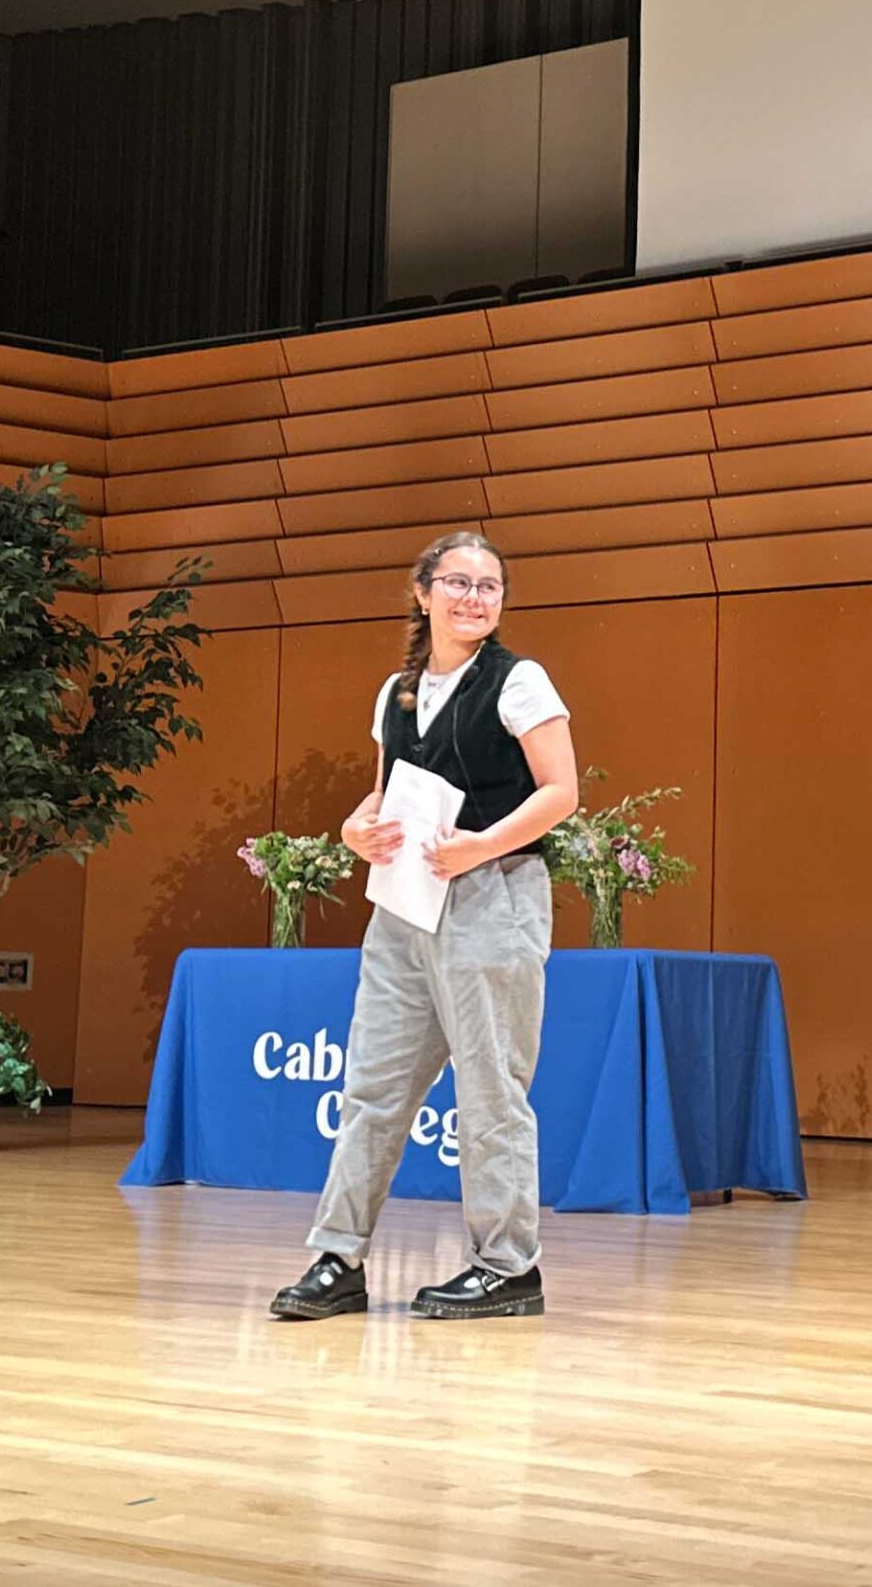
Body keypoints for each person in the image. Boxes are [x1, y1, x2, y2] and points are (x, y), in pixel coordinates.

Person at [270, 530, 579, 1322]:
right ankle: (338, 1257)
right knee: (371, 1087)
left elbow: (560, 792)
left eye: (489, 587)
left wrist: (483, 843)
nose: (475, 598)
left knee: (490, 1093)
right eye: (459, 583)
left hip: (493, 896)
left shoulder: (520, 681)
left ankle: (509, 1267)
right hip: (404, 907)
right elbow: (383, 798)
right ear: (423, 592)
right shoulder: (395, 692)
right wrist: (354, 829)